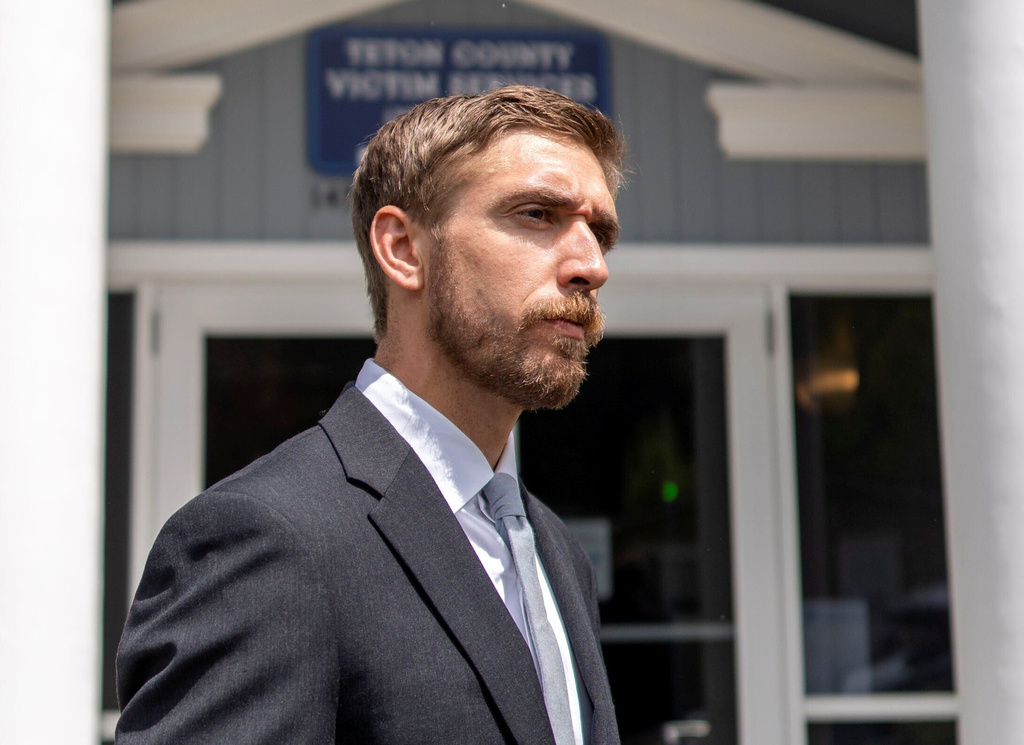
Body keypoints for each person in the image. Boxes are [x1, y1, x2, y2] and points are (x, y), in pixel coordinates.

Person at [116, 85, 625, 745]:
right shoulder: (267, 539)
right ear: (404, 249)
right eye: (537, 214)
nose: (591, 266)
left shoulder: (553, 550)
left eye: (600, 232)